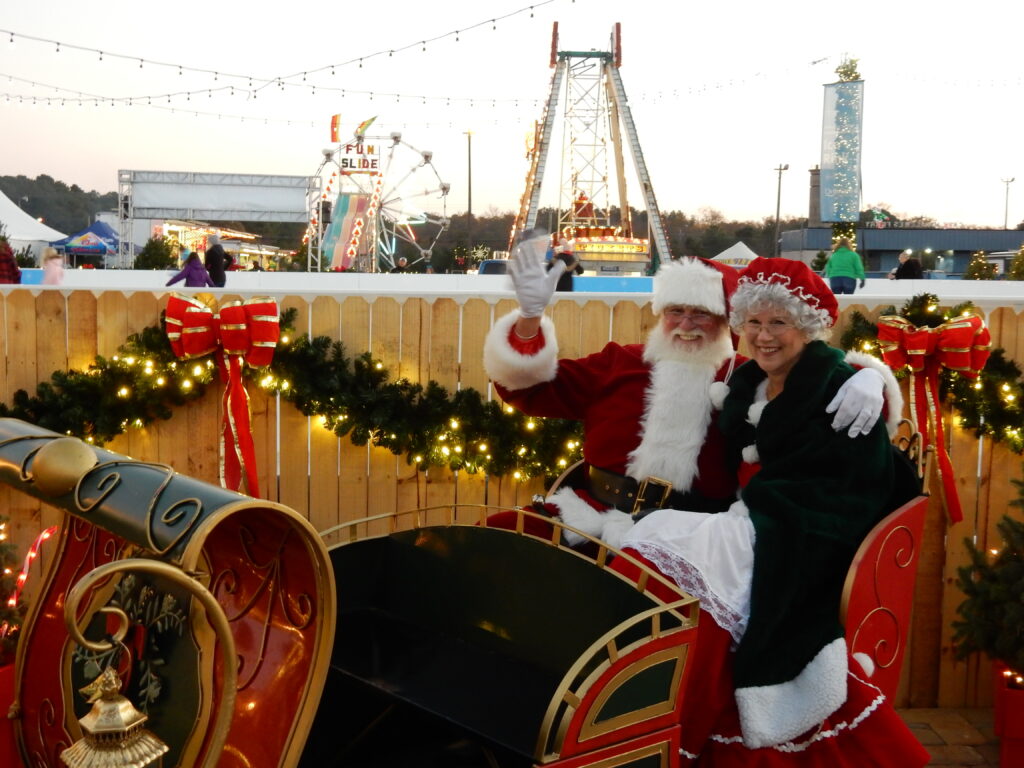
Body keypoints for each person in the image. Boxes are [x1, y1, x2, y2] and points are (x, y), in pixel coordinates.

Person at [615, 257, 927, 766]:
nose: (763, 336)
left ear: (806, 326)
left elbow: (854, 488)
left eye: (778, 322)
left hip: (807, 536)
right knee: (649, 540)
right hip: (757, 520)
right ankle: (648, 704)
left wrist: (870, 376)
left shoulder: (840, 388)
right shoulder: (746, 383)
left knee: (677, 549)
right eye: (754, 322)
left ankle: (684, 722)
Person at [482, 234, 897, 546]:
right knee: (489, 542)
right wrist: (529, 320)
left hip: (690, 535)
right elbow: (528, 389)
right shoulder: (620, 362)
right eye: (676, 311)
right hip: (589, 516)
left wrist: (868, 377)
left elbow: (817, 385)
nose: (685, 324)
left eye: (701, 313)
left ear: (727, 320)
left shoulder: (749, 377)